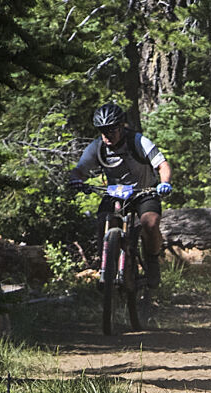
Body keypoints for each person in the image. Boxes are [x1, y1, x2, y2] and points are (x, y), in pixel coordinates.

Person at [68, 101, 174, 284]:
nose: (106, 135)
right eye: (102, 130)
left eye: (111, 130)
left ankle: (152, 259)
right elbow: (79, 170)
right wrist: (76, 180)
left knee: (150, 223)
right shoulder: (97, 147)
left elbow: (163, 165)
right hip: (115, 192)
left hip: (144, 191)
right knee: (103, 221)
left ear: (121, 127)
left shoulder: (138, 141)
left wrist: (165, 183)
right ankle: (107, 267)